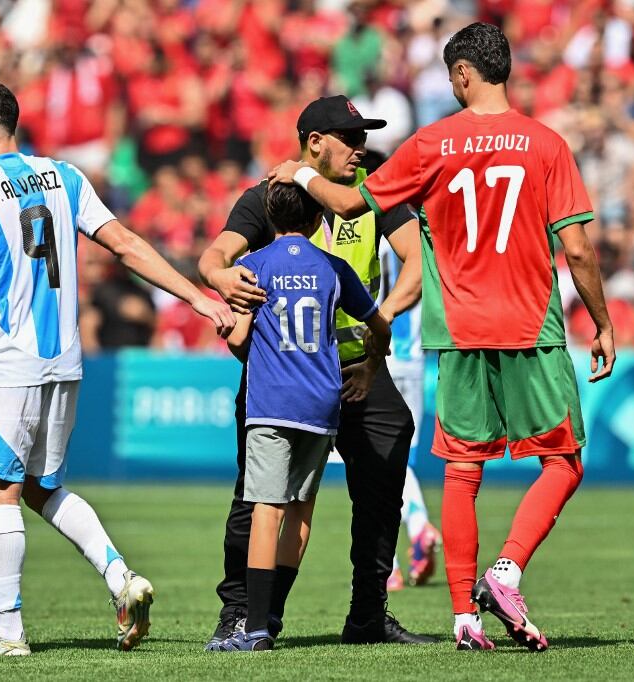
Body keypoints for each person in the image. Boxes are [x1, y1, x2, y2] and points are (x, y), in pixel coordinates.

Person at [271, 22, 615, 652]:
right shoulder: (545, 145)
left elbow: (348, 208)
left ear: (462, 74)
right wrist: (602, 322)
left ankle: (463, 615)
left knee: (462, 470)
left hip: (456, 330)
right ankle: (506, 569)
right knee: (563, 460)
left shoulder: (432, 143)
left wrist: (299, 175)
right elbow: (580, 251)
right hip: (530, 324)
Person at [0, 80, 234, 656]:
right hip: (65, 362)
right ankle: (121, 579)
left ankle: (7, 634)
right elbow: (126, 244)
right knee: (39, 486)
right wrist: (198, 298)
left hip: (4, 363)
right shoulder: (65, 177)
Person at [199, 95, 433, 647]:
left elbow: (419, 264)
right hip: (290, 376)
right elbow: (216, 255)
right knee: (254, 500)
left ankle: (368, 617)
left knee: (381, 492)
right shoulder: (271, 197)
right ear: (314, 143)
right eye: (350, 139)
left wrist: (381, 334)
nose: (361, 148)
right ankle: (243, 615)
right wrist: (219, 278)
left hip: (362, 373)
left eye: (364, 138)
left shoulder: (373, 189)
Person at [209, 182, 392, 652]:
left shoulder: (252, 266)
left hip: (272, 403)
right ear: (317, 220)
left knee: (266, 510)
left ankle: (254, 629)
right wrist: (369, 368)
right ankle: (271, 615)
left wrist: (241, 334)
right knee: (301, 511)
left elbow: (237, 340)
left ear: (270, 218)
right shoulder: (334, 267)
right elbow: (379, 324)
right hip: (322, 403)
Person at [378, 236, 441, 592]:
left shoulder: (369, 223)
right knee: (402, 461)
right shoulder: (419, 231)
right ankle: (416, 529)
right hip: (414, 360)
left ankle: (390, 562)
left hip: (377, 353)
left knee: (375, 463)